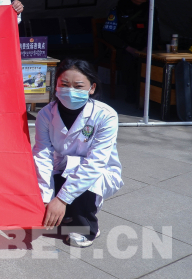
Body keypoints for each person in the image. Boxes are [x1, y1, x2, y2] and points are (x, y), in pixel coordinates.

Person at [32, 59, 123, 248]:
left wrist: (61, 199)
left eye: (78, 86)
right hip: (59, 166)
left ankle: (86, 227)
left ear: (92, 88)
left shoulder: (106, 115)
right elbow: (42, 154)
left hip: (96, 172)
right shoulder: (46, 114)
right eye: (64, 84)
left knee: (81, 175)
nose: (70, 91)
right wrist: (46, 198)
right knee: (34, 175)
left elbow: (95, 162)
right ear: (56, 86)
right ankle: (64, 214)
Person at [102, 0, 160, 103]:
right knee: (128, 62)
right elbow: (108, 34)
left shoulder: (150, 9)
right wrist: (128, 48)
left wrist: (147, 48)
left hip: (146, 48)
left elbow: (156, 33)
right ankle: (133, 97)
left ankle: (153, 97)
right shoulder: (119, 9)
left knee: (158, 63)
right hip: (125, 48)